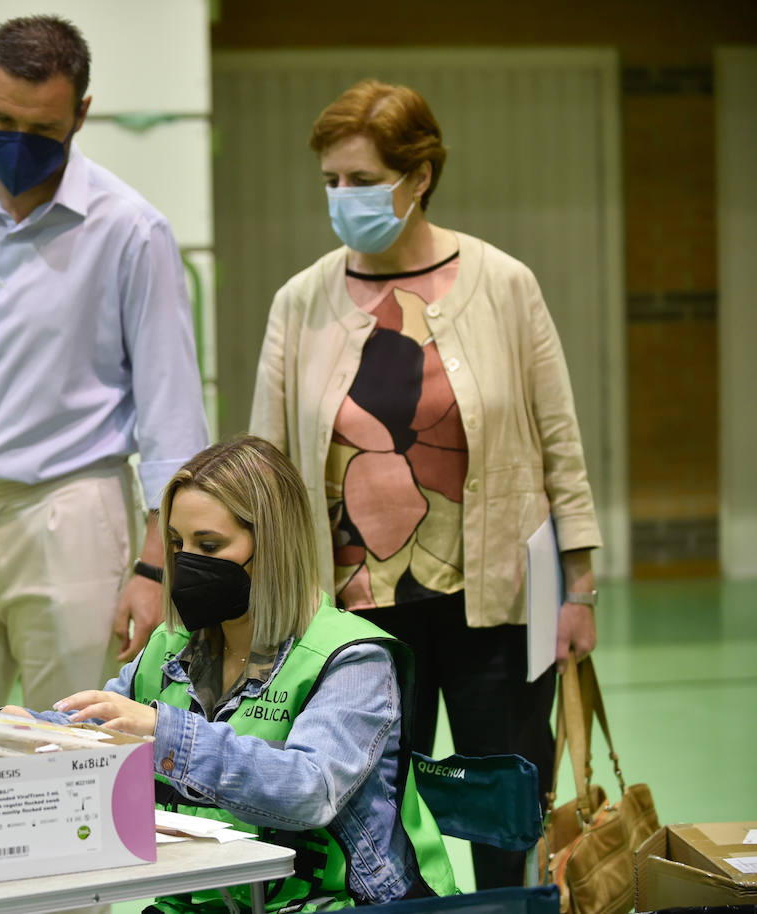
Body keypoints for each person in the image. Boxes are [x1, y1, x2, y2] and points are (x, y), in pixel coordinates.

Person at [250, 79, 602, 889]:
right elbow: (265, 466)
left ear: (420, 177)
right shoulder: (299, 302)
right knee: (371, 814)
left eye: (363, 181)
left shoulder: (503, 284)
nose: (343, 198)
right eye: (331, 181)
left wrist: (578, 589)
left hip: (499, 605)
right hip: (352, 622)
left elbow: (559, 443)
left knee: (502, 807)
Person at [0, 14, 209, 715]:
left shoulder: (131, 229)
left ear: (81, 113)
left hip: (69, 513)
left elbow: (172, 416)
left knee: (77, 745)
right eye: (1, 118)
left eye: (41, 129)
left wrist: (157, 569)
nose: (17, 143)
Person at [9, 436, 458, 911]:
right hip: (205, 900)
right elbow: (102, 726)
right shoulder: (173, 644)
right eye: (178, 544)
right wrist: (21, 732)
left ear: (273, 543)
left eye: (209, 544)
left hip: (332, 904)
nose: (186, 563)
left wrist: (165, 733)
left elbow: (311, 791)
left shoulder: (352, 658)